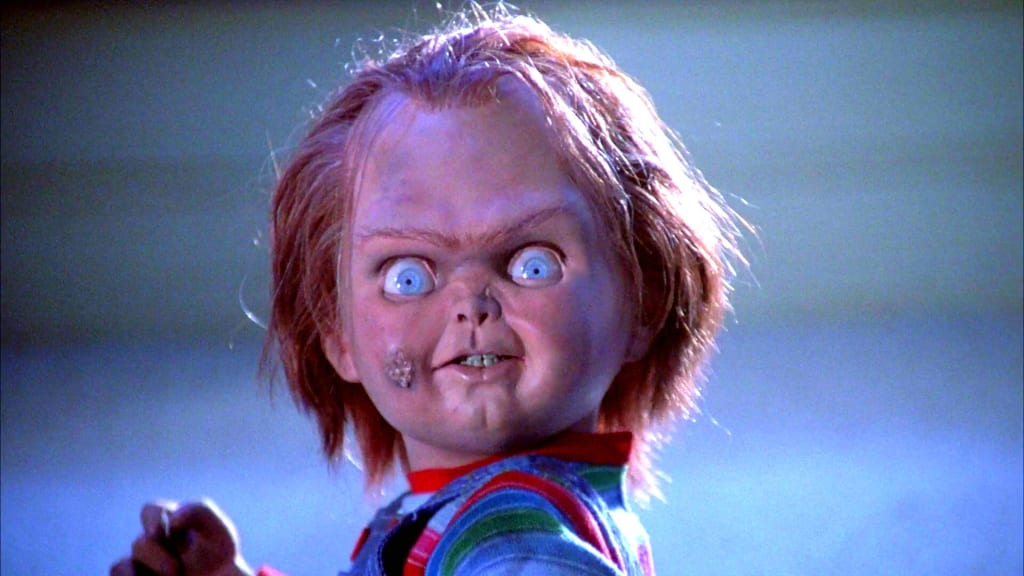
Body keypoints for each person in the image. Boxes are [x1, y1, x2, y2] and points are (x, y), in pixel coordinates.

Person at [112, 5, 746, 575]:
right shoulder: (460, 515)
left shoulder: (521, 549)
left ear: (644, 298)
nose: (471, 305)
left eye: (533, 264)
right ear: (337, 332)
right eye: (407, 277)